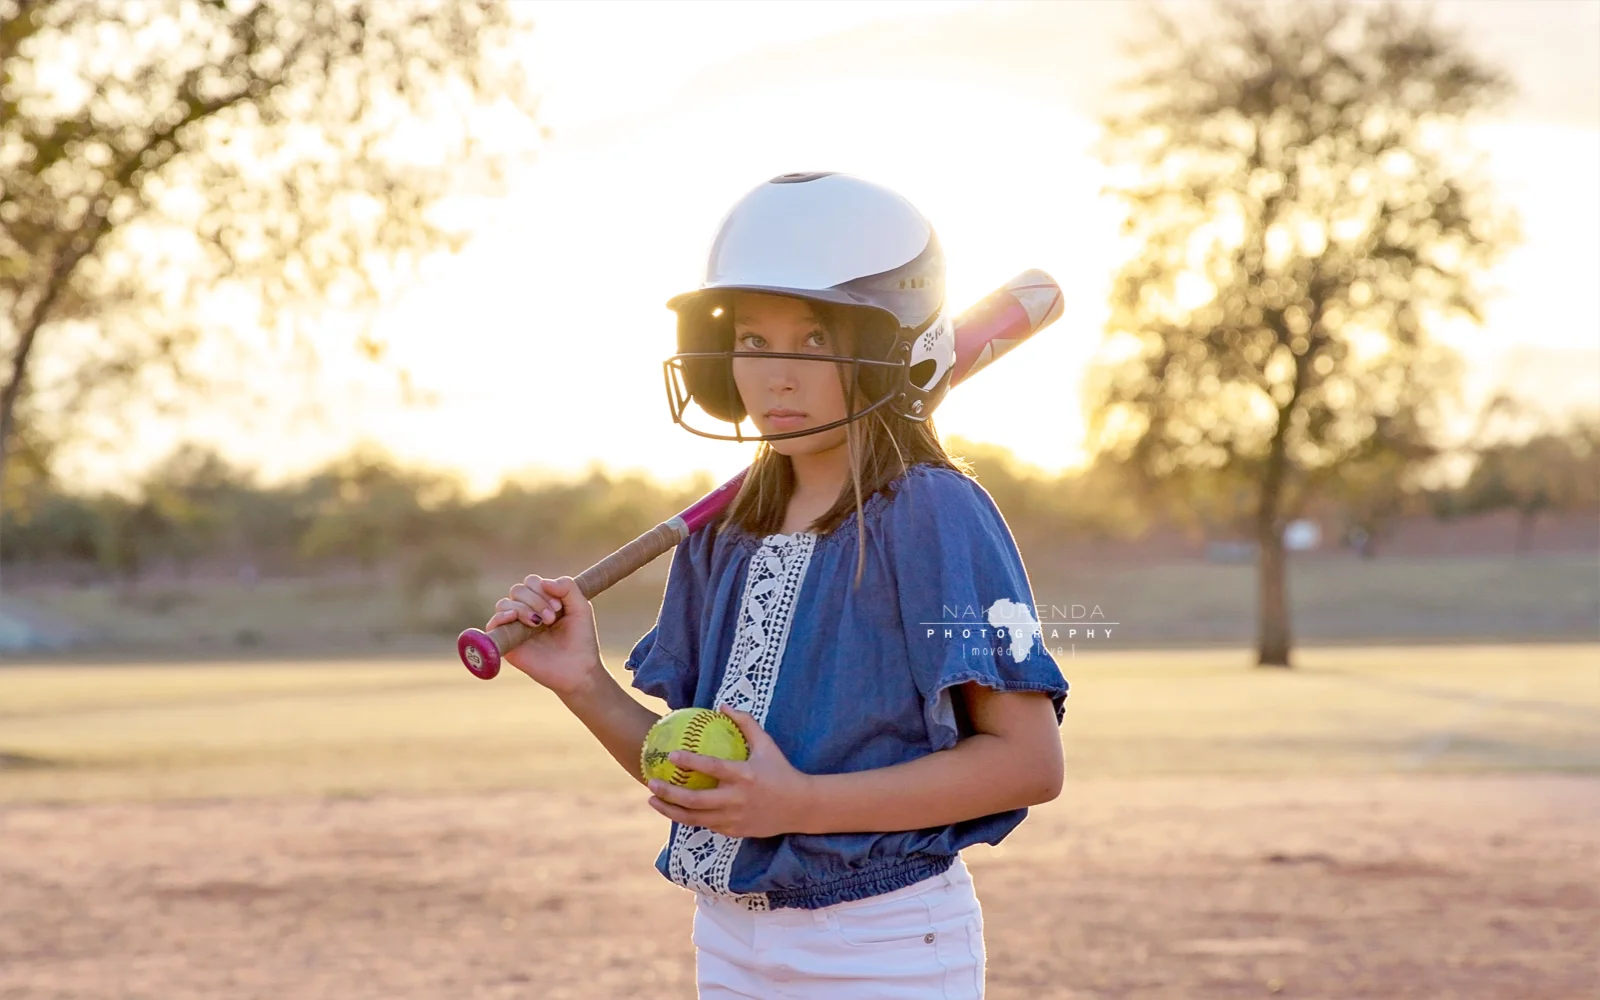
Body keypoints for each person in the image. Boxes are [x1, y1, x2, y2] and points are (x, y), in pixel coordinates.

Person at [486, 172, 1069, 999]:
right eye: (753, 341)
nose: (776, 377)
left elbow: (1028, 764)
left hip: (880, 941)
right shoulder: (721, 534)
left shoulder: (932, 512)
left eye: (814, 339)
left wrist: (798, 803)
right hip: (729, 938)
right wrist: (583, 682)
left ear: (892, 349)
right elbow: (707, 776)